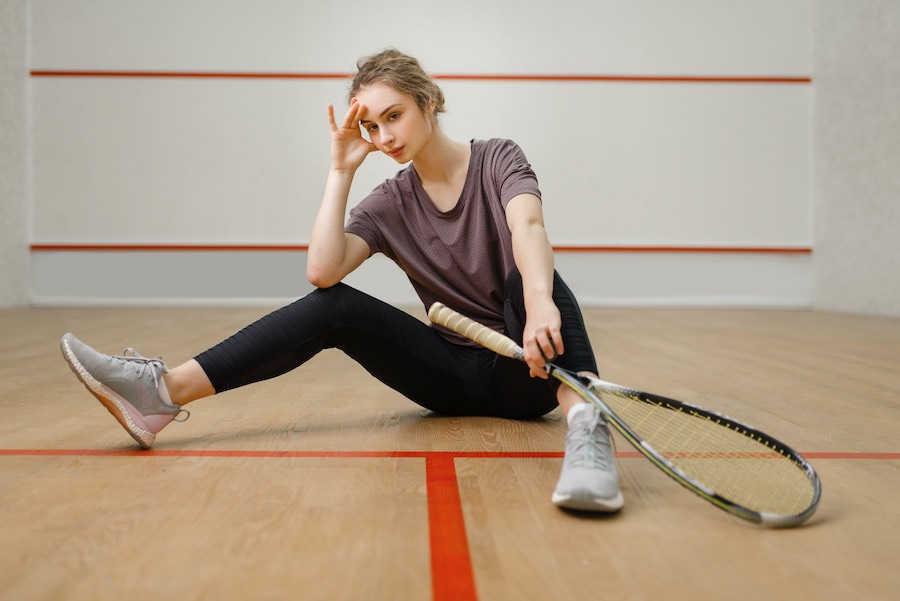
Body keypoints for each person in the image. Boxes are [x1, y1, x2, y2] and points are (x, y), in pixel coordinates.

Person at [59, 49, 623, 512]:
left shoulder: (498, 157)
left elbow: (527, 224)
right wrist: (339, 170)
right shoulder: (390, 203)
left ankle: (588, 431)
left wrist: (542, 303)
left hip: (528, 365)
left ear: (427, 101)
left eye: (393, 116)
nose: (383, 136)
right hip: (450, 376)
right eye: (372, 126)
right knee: (337, 306)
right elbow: (322, 271)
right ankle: (159, 393)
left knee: (533, 271)